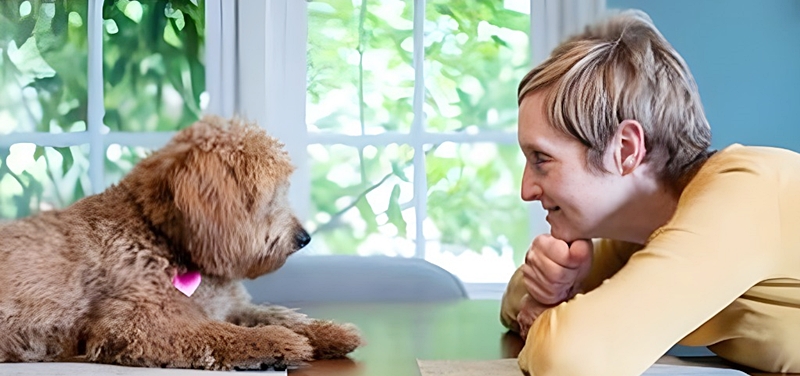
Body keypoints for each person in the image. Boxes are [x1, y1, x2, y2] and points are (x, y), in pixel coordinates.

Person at [500, 9, 800, 376]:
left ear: (625, 149)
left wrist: (546, 318)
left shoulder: (746, 196)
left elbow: (569, 357)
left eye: (541, 159)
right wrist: (554, 285)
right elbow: (513, 304)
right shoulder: (643, 233)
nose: (526, 190)